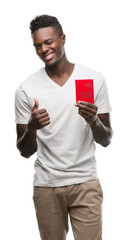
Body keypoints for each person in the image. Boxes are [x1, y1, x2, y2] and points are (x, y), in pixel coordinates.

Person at [15, 14, 113, 240]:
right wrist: (32, 127)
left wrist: (93, 120)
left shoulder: (93, 78)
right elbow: (24, 151)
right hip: (47, 186)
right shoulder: (27, 89)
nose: (43, 49)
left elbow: (106, 139)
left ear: (63, 39)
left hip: (86, 183)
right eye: (37, 46)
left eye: (49, 42)